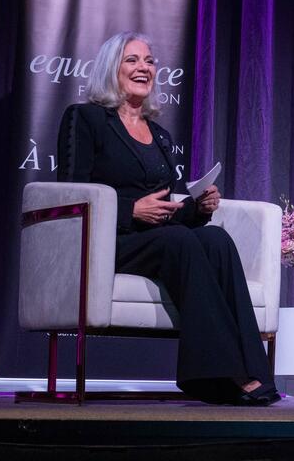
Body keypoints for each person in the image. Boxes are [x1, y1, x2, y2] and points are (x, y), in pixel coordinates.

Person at [57, 31, 279, 406]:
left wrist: (198, 207)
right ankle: (219, 375)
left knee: (216, 240)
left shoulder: (159, 135)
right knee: (177, 241)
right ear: (112, 68)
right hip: (107, 240)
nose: (144, 67)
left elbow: (169, 205)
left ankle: (254, 368)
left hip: (157, 239)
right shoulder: (86, 118)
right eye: (132, 60)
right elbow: (72, 192)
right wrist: (130, 210)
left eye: (149, 61)